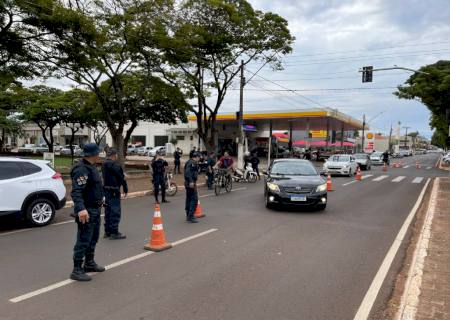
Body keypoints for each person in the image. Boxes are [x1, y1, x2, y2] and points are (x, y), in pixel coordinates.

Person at [70, 143, 105, 282]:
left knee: (93, 238)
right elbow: (76, 192)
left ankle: (89, 263)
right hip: (87, 210)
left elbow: (95, 189)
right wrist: (81, 209)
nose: (99, 155)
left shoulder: (92, 167)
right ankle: (77, 269)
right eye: (98, 153)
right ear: (93, 154)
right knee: (84, 240)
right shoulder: (81, 169)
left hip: (95, 209)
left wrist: (102, 202)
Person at [102, 148, 128, 240]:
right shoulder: (115, 165)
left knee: (108, 211)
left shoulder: (104, 164)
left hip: (105, 190)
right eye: (116, 155)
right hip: (114, 191)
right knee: (115, 211)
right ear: (114, 155)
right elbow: (122, 178)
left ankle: (107, 231)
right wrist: (125, 188)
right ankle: (114, 232)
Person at [184, 152, 200, 223]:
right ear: (196, 157)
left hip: (190, 182)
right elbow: (187, 172)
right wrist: (191, 181)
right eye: (199, 157)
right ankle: (191, 216)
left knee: (189, 198)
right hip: (191, 183)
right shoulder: (192, 163)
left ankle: (188, 215)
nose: (199, 159)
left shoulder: (189, 162)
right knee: (194, 199)